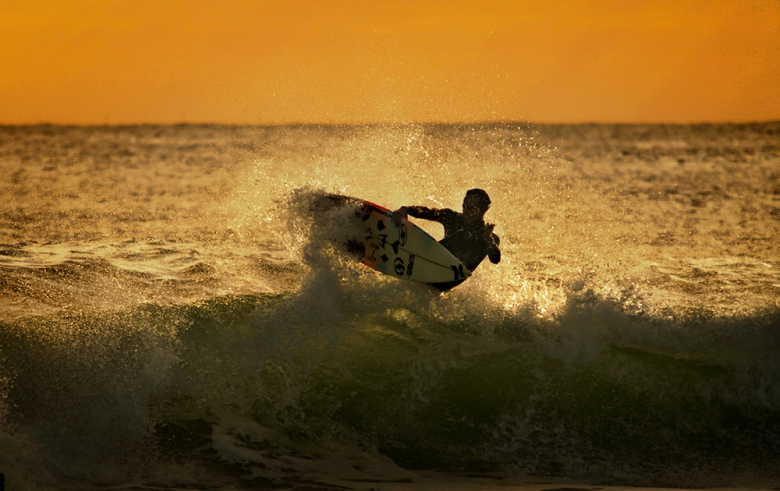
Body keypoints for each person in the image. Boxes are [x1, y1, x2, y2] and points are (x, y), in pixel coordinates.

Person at [392, 188, 501, 290]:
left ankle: (419, 258)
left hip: (449, 279)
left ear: (483, 210)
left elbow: (495, 259)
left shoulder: (490, 237)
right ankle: (411, 255)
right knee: (462, 234)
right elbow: (430, 212)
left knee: (463, 235)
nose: (466, 211)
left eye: (471, 208)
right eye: (464, 206)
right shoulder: (453, 217)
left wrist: (488, 240)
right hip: (432, 265)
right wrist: (405, 209)